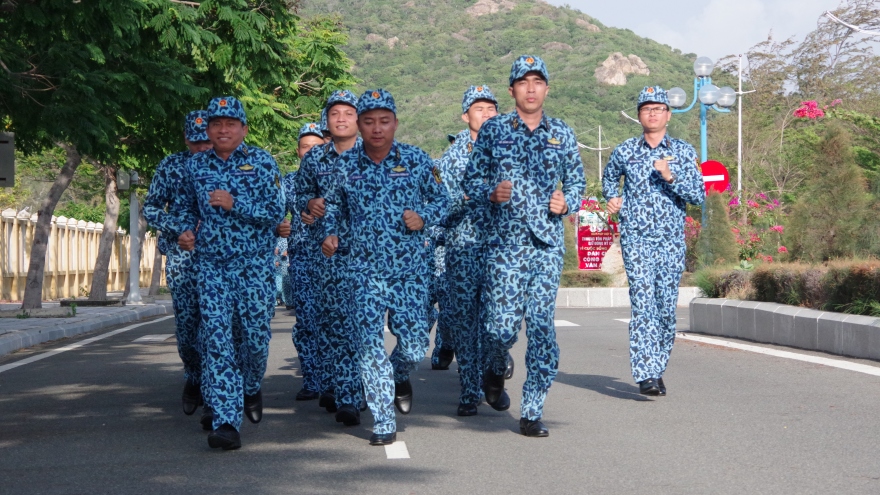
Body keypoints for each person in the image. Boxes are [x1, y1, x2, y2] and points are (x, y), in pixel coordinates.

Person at [464, 55, 585, 437]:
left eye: (537, 82)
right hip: (505, 245)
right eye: (523, 82)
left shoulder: (562, 133)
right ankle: (495, 367)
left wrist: (567, 201)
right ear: (512, 89)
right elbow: (471, 183)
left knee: (542, 329)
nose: (531, 88)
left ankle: (532, 410)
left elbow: (579, 183)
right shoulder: (494, 130)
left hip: (547, 246)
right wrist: (490, 192)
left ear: (546, 88)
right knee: (499, 329)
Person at [322, 89, 448, 446]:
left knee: (412, 346)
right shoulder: (345, 165)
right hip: (361, 270)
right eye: (369, 121)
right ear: (360, 125)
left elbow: (443, 200)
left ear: (395, 123)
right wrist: (330, 233)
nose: (376, 128)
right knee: (368, 345)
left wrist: (423, 217)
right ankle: (382, 418)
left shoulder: (417, 159)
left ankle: (397, 378)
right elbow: (331, 206)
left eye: (384, 121)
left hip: (409, 270)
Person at [173, 96, 286, 450]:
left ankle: (251, 386)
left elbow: (277, 213)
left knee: (254, 340)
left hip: (254, 267)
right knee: (217, 341)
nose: (223, 130)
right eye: (216, 124)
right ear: (207, 129)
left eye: (230, 124)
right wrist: (183, 230)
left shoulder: (262, 162)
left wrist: (236, 204)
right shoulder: (195, 167)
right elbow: (180, 208)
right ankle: (225, 422)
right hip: (212, 268)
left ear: (243, 129)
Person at [602, 86, 705, 396]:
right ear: (639, 116)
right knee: (643, 304)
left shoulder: (684, 151)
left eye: (658, 108)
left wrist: (671, 176)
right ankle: (645, 373)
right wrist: (613, 198)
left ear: (668, 115)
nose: (652, 113)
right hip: (636, 239)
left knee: (664, 308)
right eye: (646, 108)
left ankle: (657, 367)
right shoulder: (625, 151)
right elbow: (609, 179)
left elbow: (698, 195)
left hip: (671, 240)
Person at [294, 90, 365, 424]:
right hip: (328, 258)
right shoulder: (315, 159)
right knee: (335, 325)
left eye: (348, 113)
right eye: (334, 113)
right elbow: (300, 194)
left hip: (368, 256)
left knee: (360, 326)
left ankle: (359, 387)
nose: (341, 118)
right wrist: (309, 205)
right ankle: (347, 393)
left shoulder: (374, 155)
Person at [143, 110, 212, 425]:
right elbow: (151, 207)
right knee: (186, 329)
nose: (202, 148)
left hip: (219, 255)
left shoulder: (231, 166)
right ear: (186, 140)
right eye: (195, 142)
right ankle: (194, 375)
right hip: (182, 255)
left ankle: (216, 394)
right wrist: (176, 227)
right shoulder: (171, 166)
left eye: (207, 141)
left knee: (217, 325)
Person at [436, 84, 500, 416]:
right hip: (463, 248)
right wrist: (473, 197)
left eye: (491, 108)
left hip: (501, 249)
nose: (486, 114)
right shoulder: (450, 161)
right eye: (479, 109)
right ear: (465, 116)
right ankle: (470, 388)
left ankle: (493, 373)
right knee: (465, 322)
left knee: (498, 319)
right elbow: (441, 212)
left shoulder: (510, 151)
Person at [284, 122, 325, 402]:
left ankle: (339, 379)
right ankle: (312, 378)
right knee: (308, 322)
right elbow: (278, 204)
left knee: (335, 321)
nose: (311, 151)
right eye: (306, 147)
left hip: (335, 259)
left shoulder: (340, 175)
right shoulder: (289, 180)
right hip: (303, 260)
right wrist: (303, 206)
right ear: (298, 152)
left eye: (317, 146)